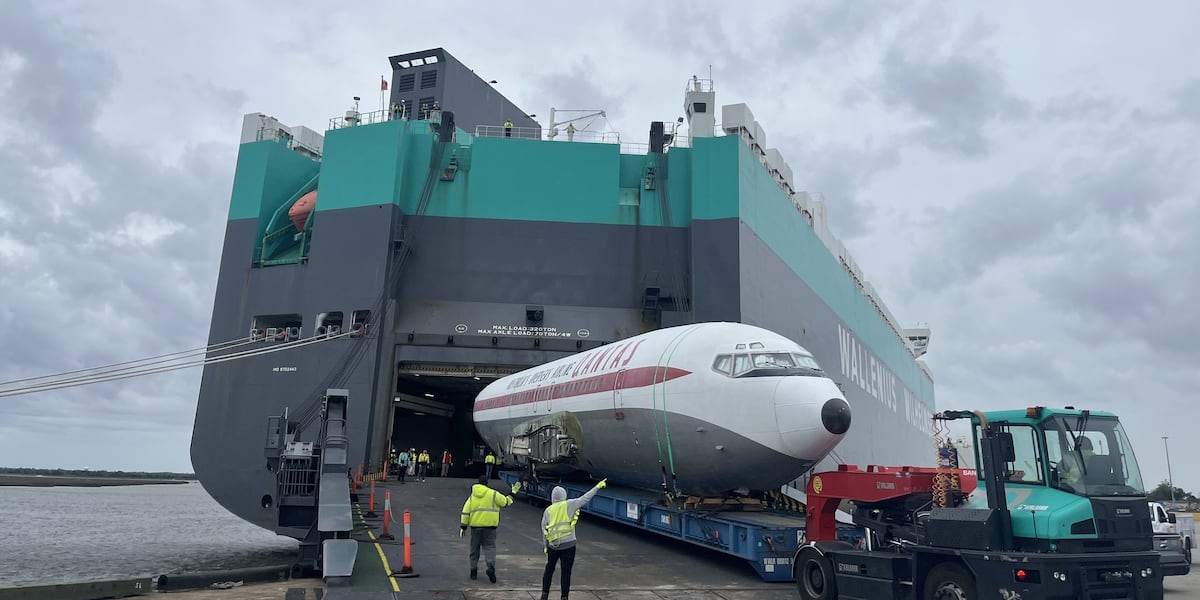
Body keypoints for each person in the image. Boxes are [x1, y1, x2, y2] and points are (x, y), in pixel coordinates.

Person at [540, 479, 607, 600]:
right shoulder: (569, 504)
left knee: (549, 570)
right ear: (564, 495)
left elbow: (544, 530)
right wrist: (597, 487)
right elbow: (585, 498)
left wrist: (546, 546)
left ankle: (544, 595)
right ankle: (564, 597)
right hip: (569, 545)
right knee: (566, 572)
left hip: (553, 546)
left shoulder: (548, 510)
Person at [461, 476, 522, 583]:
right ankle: (490, 568)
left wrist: (463, 526)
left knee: (474, 550)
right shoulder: (493, 494)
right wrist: (513, 492)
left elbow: (465, 511)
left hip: (475, 528)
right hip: (490, 528)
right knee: (489, 548)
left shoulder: (472, 496)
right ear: (486, 484)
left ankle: (473, 572)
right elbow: (506, 502)